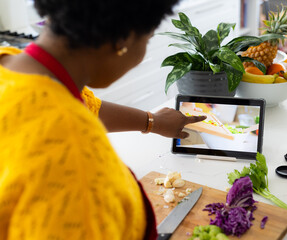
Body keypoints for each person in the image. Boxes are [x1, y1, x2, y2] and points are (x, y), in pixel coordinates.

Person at [0, 0, 206, 239]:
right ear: (123, 39)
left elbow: (83, 106)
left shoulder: (12, 66)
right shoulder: (75, 156)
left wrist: (154, 121)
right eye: (147, 39)